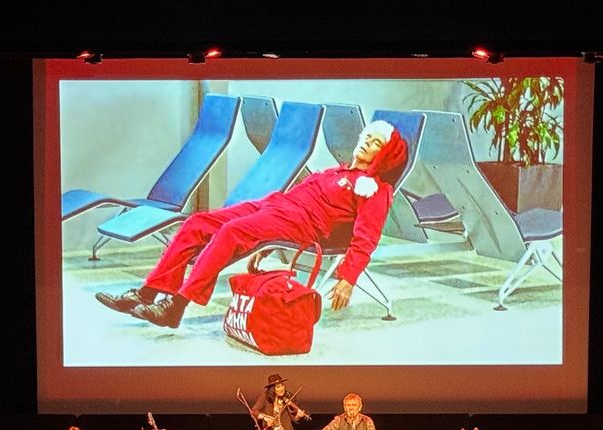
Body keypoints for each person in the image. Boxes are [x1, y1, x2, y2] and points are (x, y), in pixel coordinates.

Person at [96, 121, 410, 329]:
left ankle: (176, 307)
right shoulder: (336, 170)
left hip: (300, 223)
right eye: (367, 136)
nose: (367, 142)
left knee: (231, 232)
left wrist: (348, 279)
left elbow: (366, 238)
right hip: (274, 206)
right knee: (198, 222)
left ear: (384, 156)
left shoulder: (375, 189)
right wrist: (266, 244)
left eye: (376, 143)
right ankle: (148, 293)